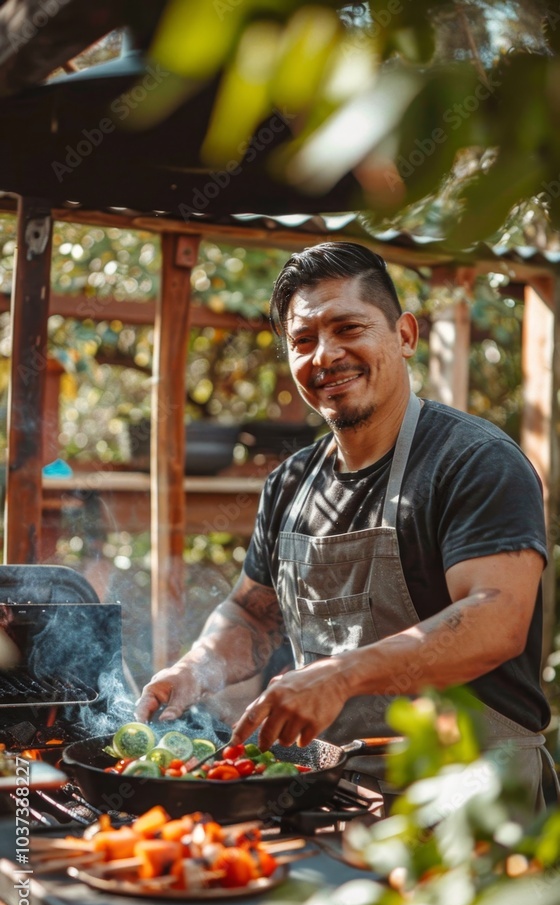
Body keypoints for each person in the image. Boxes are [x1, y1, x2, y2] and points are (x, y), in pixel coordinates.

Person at [136, 242, 553, 809]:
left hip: (472, 800)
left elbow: (496, 620)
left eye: (348, 328)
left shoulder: (474, 461)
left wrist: (339, 675)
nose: (324, 356)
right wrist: (195, 669)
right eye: (303, 340)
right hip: (332, 795)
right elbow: (250, 616)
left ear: (404, 336)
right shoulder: (290, 484)